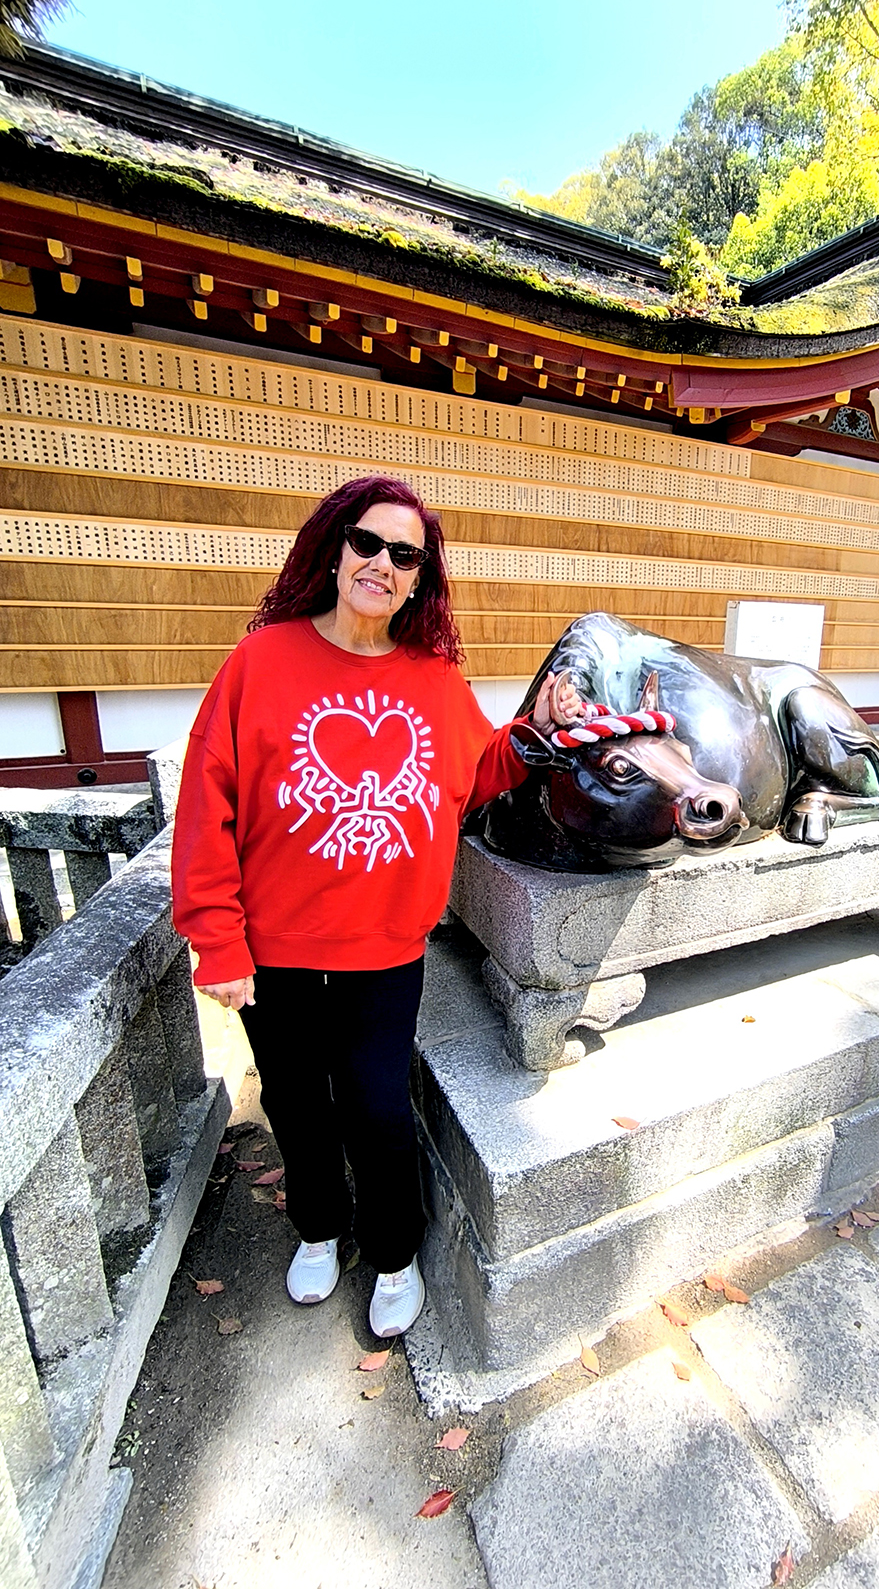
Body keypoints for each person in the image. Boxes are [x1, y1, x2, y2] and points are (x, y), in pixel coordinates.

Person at [171, 475, 581, 1338]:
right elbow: (208, 805)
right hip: (275, 949)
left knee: (377, 1105)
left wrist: (536, 731)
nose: (382, 564)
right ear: (335, 549)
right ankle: (319, 1227)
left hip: (386, 947)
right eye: (368, 543)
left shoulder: (432, 676)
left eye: (405, 555)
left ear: (418, 579)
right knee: (295, 1102)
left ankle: (393, 1251)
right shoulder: (262, 661)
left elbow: (476, 773)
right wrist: (219, 942)